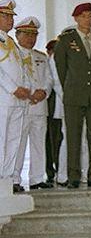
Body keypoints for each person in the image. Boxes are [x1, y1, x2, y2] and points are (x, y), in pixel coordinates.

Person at [53, 2, 91, 188]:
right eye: (84, 16)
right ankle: (73, 176)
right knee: (73, 137)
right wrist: (70, 86)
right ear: (76, 18)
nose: (88, 19)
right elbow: (61, 68)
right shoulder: (67, 41)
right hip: (74, 95)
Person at [12, 17, 52, 191]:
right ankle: (14, 179)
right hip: (21, 106)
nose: (31, 38)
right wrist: (28, 94)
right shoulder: (13, 55)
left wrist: (44, 91)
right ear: (18, 35)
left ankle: (36, 178)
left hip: (39, 106)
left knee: (38, 143)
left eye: (34, 34)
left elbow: (49, 79)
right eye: (27, 34)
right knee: (17, 144)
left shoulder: (41, 57)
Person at [0, 0, 32, 190]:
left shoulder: (11, 41)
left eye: (11, 17)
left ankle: (8, 179)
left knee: (14, 140)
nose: (10, 20)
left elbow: (22, 69)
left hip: (18, 100)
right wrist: (14, 89)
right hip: (4, 99)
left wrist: (26, 89)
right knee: (2, 139)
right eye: (5, 16)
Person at [45, 39, 63, 185]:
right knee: (52, 139)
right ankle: (51, 170)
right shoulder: (50, 61)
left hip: (66, 106)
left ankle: (61, 168)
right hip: (53, 106)